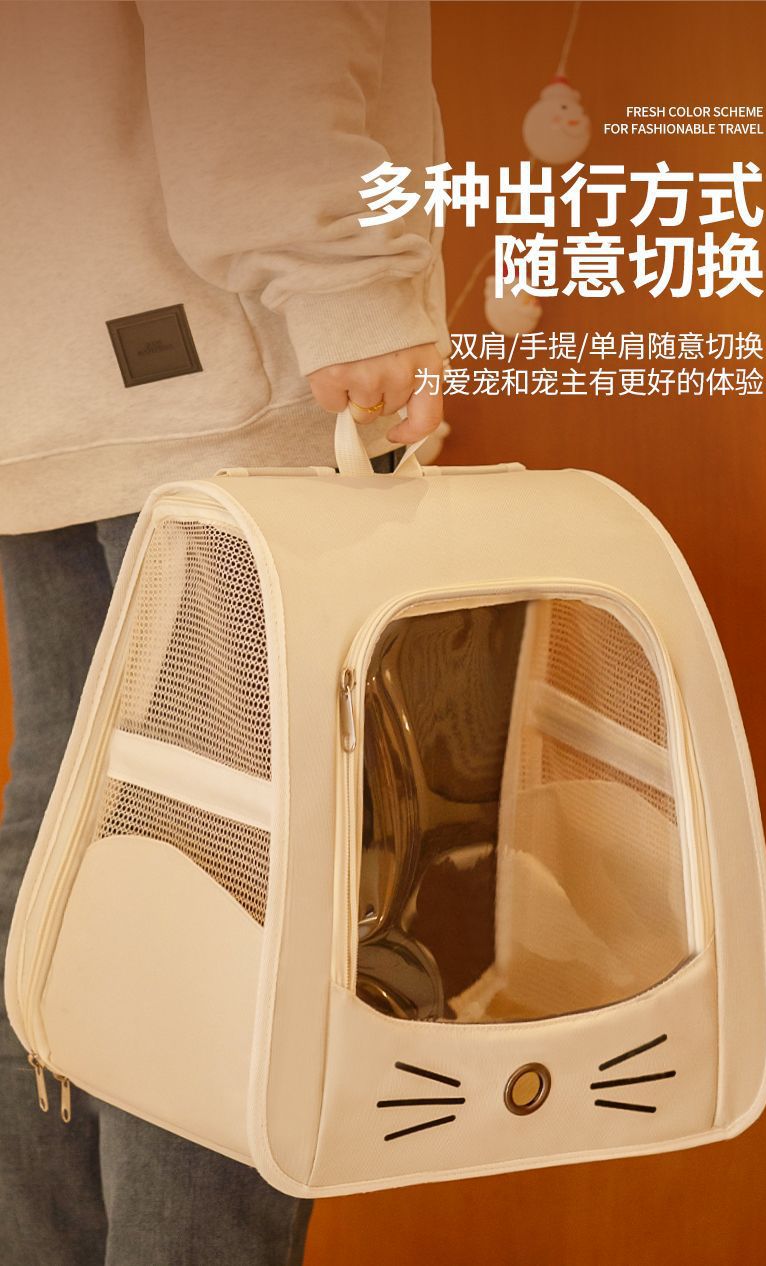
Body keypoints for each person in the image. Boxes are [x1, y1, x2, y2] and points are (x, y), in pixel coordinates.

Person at [0, 3, 448, 1263]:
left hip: (52, 360)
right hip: (211, 368)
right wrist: (346, 283)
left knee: (73, 839)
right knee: (225, 860)